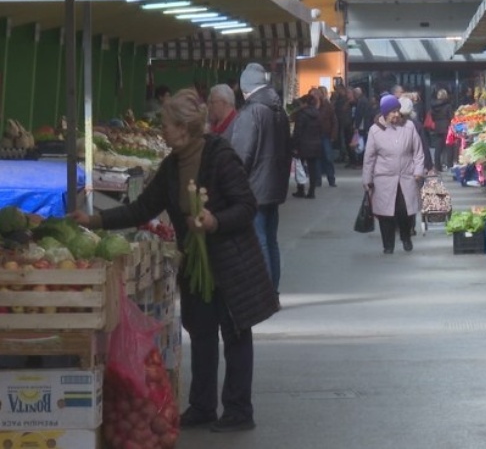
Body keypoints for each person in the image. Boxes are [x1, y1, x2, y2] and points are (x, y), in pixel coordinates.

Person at [70, 88, 278, 432]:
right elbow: (143, 208)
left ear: (184, 128)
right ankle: (202, 406)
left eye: (166, 124)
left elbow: (246, 206)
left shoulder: (220, 156)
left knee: (236, 334)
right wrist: (94, 221)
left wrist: (214, 221)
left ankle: (240, 410)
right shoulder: (171, 166)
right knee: (202, 333)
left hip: (231, 263)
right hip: (196, 266)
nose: (162, 131)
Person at [230, 63, 292, 296]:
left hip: (255, 186)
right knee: (271, 240)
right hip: (274, 185)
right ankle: (272, 289)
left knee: (259, 240)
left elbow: (241, 153)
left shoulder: (251, 112)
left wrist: (233, 181)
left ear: (246, 87)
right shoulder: (279, 110)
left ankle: (264, 292)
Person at [362, 94, 424, 254]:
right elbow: (369, 157)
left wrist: (418, 171)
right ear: (384, 113)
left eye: (397, 111)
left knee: (405, 211)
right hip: (384, 179)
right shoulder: (375, 131)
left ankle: (406, 236)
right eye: (392, 111)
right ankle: (388, 245)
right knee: (385, 214)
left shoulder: (409, 127)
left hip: (406, 177)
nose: (396, 114)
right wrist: (367, 179)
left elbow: (418, 152)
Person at [290, 93, 322, 198]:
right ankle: (312, 191)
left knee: (300, 167)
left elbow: (298, 131)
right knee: (312, 169)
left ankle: (301, 189)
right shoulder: (317, 114)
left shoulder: (302, 114)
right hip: (315, 144)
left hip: (303, 145)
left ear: (304, 103)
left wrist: (294, 145)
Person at [312, 86, 338, 187]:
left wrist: (333, 135)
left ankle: (331, 179)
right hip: (315, 135)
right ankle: (318, 180)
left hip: (325, 135)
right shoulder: (313, 106)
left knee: (328, 158)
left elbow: (334, 121)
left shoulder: (328, 106)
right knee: (317, 158)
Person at [429, 89, 453, 171]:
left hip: (438, 127)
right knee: (449, 146)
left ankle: (437, 166)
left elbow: (432, 117)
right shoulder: (448, 106)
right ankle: (450, 165)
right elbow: (451, 117)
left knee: (438, 148)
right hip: (447, 127)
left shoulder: (434, 106)